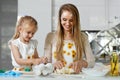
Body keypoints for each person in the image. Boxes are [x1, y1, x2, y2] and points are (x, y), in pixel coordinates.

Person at [44, 3, 95, 73]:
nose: (67, 24)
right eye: (64, 19)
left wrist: (82, 63)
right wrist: (53, 65)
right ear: (60, 19)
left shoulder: (83, 37)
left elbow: (91, 62)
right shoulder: (50, 37)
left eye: (71, 20)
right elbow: (45, 63)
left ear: (76, 21)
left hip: (77, 77)